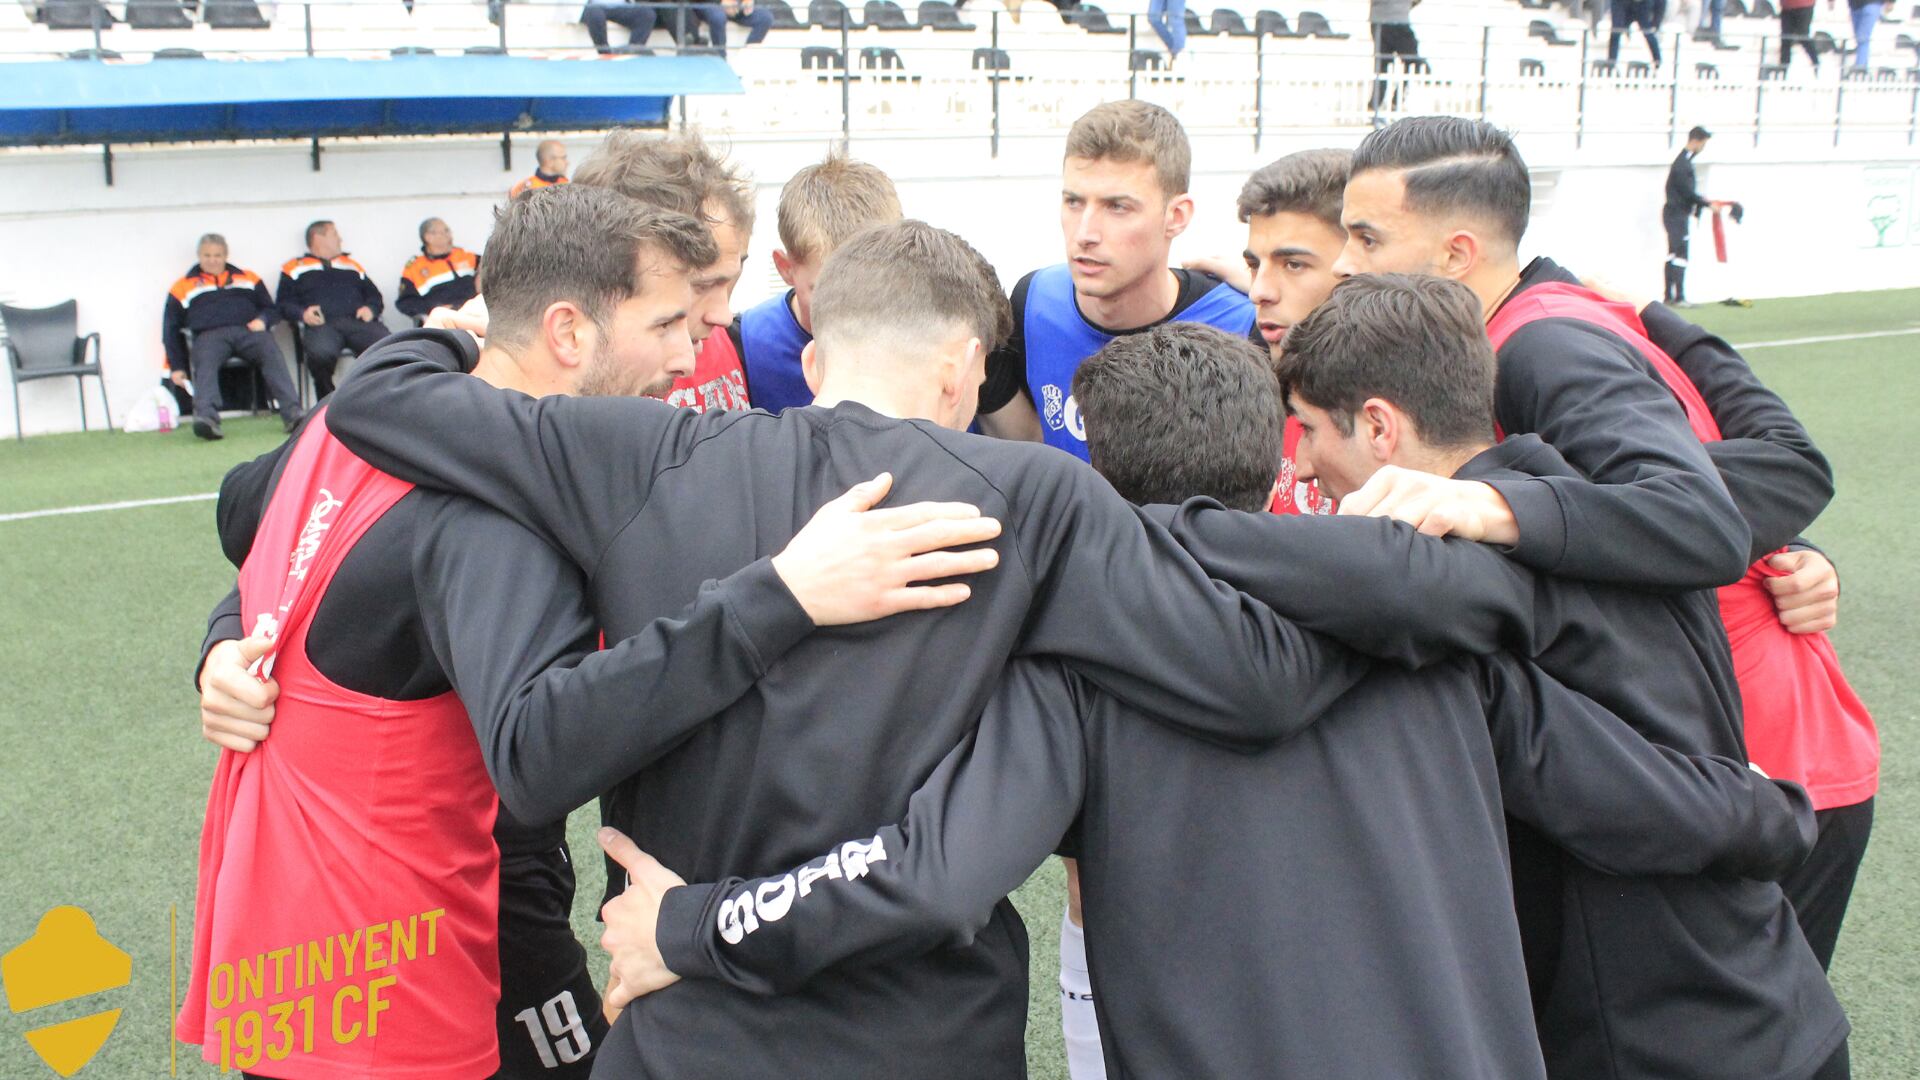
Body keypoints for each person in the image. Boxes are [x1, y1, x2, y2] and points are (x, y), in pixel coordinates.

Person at [590, 300, 1820, 1080]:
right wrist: (1775, 806)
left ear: (1092, 471)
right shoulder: (1437, 624)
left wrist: (687, 926)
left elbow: (925, 876)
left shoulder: (1073, 668)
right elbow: (1655, 804)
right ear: (1281, 457)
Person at [320, 218, 1389, 1078]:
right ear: (964, 366)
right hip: (924, 1036)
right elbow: (1255, 681)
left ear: (822, 351)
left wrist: (464, 331)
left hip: (684, 1026)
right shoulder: (1030, 498)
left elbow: (373, 399)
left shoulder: (635, 452)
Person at [184, 186, 1002, 1079]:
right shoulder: (496, 512)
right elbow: (540, 751)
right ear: (570, 333)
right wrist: (786, 595)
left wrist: (229, 636)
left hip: (274, 960)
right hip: (388, 987)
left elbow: (249, 521)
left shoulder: (360, 425)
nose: (689, 357)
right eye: (666, 326)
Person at [1332, 115, 1852, 1080]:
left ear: (1457, 252)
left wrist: (1493, 502)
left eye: (1364, 240)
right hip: (1716, 765)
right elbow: (1766, 476)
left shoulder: (1540, 347)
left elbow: (1700, 514)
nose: (1343, 264)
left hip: (1751, 765)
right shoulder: (1535, 326)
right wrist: (1658, 320)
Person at [974, 100, 1254, 453]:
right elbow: (1030, 450)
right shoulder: (1033, 302)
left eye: (1117, 207)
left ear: (1177, 216)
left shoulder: (1243, 325)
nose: (1085, 232)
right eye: (1074, 202)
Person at [568, 130, 759, 413]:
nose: (723, 315)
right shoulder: (578, 387)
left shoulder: (739, 342)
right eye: (701, 286)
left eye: (731, 279)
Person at [738, 152, 903, 412]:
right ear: (785, 268)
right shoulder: (744, 346)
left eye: (871, 289)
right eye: (826, 292)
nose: (852, 311)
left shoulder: (926, 334)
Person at [163, 233, 303, 440]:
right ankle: (207, 420)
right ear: (199, 256)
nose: (212, 260)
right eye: (207, 255)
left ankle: (293, 414)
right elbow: (170, 328)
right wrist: (177, 366)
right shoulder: (182, 286)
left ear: (226, 255)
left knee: (269, 348)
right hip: (209, 336)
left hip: (248, 332)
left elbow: (272, 309)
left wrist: (263, 320)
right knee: (205, 360)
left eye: (217, 255)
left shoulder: (248, 278)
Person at [275, 221, 388, 399]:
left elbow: (375, 296)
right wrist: (302, 314)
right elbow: (283, 304)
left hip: (357, 323)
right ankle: (328, 402)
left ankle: (381, 399)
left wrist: (370, 309)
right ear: (318, 238)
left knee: (387, 347)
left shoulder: (351, 265)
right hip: (322, 325)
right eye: (335, 234)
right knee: (320, 354)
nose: (340, 239)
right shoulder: (293, 268)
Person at [1664, 125, 1714, 307]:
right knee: (1680, 254)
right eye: (1703, 143)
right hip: (1677, 215)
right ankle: (1679, 296)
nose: (1703, 148)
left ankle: (1669, 295)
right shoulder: (1682, 165)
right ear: (1696, 141)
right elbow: (1688, 193)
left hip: (1673, 214)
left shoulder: (1683, 161)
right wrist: (1708, 204)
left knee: (1673, 254)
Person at [395, 218, 480, 323]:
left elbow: (494, 267)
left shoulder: (465, 256)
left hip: (475, 313)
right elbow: (406, 302)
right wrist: (435, 310)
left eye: (448, 231)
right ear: (429, 237)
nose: (450, 236)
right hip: (444, 320)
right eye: (445, 231)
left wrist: (481, 274)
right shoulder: (415, 267)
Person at [1369, 0, 1422, 110]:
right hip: (1398, 21)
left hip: (1378, 20)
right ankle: (1396, 101)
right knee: (1412, 63)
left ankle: (1375, 103)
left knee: (1382, 64)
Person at [1607, 0, 1663, 66]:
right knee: (1616, 32)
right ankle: (1611, 63)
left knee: (1648, 33)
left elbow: (1661, 2)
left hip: (1643, 5)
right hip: (1622, 4)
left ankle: (1657, 62)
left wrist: (1656, 21)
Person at [1845, 0, 1892, 69]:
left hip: (1872, 4)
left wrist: (1890, 2)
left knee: (1862, 38)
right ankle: (1862, 63)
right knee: (1859, 38)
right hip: (1855, 6)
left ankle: (1860, 65)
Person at [1781, 0, 1819, 69]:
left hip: (1804, 6)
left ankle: (1816, 63)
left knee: (1802, 36)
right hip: (1788, 6)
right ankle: (1783, 66)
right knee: (1786, 38)